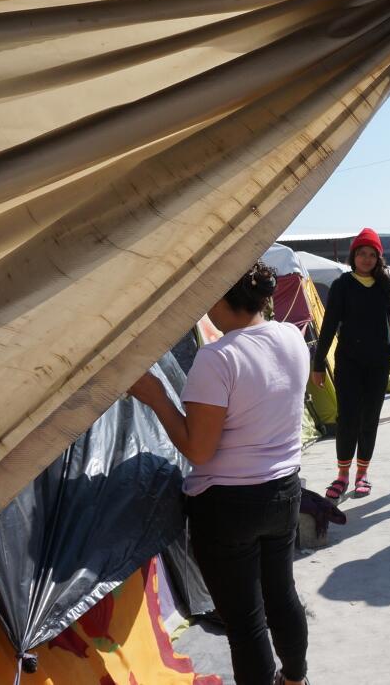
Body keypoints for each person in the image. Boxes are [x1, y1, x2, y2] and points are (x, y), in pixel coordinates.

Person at [128, 261, 310, 685]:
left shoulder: (218, 358)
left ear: (222, 299)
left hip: (228, 505)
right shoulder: (291, 338)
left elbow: (198, 449)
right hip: (284, 491)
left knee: (245, 622)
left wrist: (156, 396)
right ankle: (296, 680)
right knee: (282, 596)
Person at [312, 227, 390, 501]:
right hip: (348, 362)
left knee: (370, 418)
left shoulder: (386, 286)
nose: (366, 258)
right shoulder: (342, 285)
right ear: (354, 256)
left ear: (378, 258)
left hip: (378, 362)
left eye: (372, 254)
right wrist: (318, 364)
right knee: (348, 418)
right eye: (362, 253)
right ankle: (342, 475)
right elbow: (328, 326)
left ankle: (362, 474)